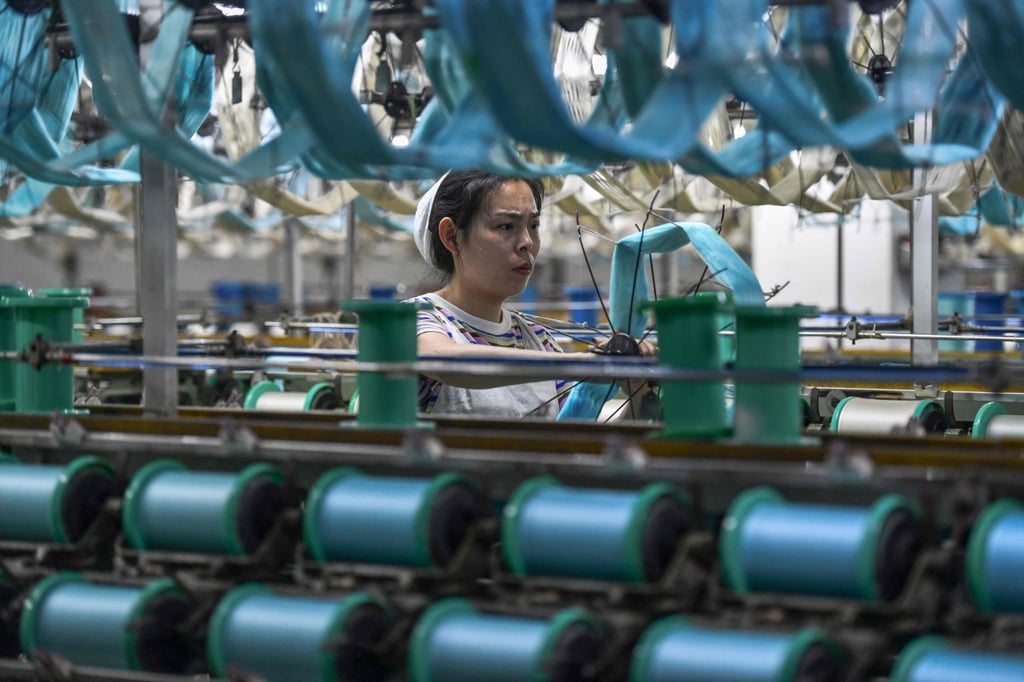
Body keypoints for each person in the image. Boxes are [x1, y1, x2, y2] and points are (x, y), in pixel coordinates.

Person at [406, 169, 654, 419]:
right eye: (506, 226)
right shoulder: (414, 319)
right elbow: (442, 360)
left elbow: (575, 444)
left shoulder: (538, 340)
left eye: (533, 225)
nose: (527, 242)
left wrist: (637, 389)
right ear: (451, 236)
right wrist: (584, 364)